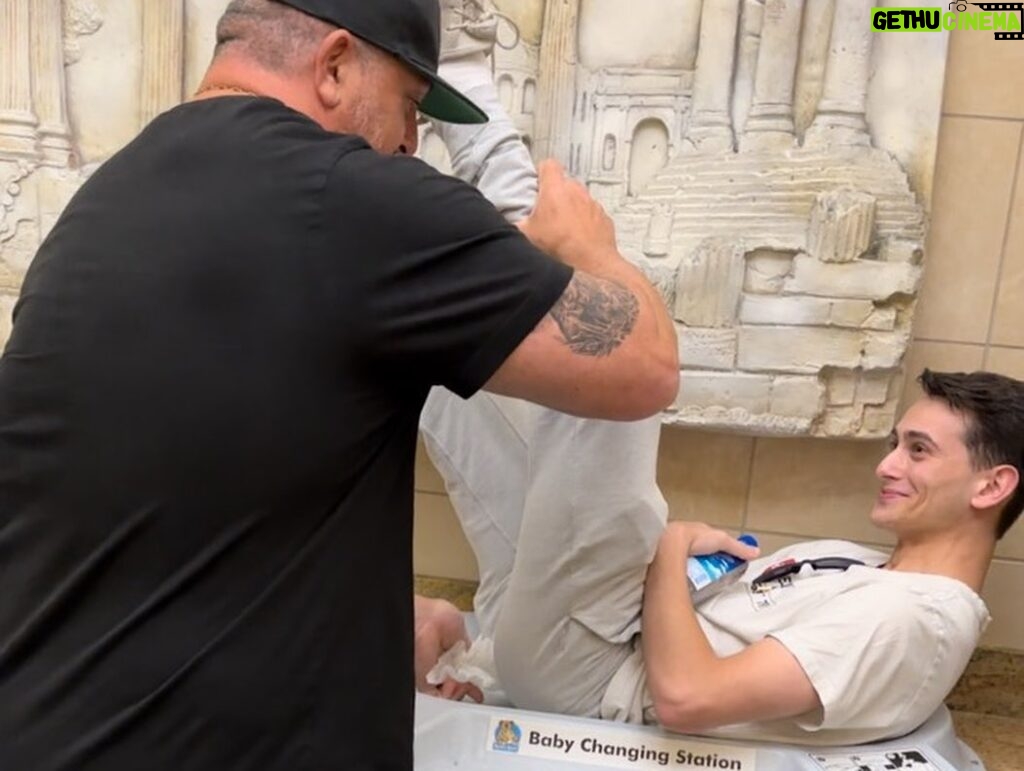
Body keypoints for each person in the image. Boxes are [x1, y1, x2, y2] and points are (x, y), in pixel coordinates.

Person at [0, 0, 679, 768]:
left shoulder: (100, 210)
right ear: (332, 66)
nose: (408, 142)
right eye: (410, 106)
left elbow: (178, 502)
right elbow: (645, 367)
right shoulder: (353, 198)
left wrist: (361, 622)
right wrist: (595, 249)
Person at [415, 53, 1022, 747]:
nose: (888, 465)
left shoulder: (918, 618)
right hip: (580, 639)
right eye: (896, 445)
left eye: (918, 451)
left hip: (595, 674)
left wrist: (672, 548)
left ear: (993, 483)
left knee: (621, 366)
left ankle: (472, 106)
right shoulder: (859, 564)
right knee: (446, 371)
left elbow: (687, 696)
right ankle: (393, 176)